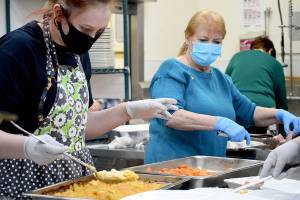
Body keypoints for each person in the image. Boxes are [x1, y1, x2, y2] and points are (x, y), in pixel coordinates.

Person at [0, 0, 177, 198]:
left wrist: (128, 110)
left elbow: (77, 127)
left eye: (100, 31)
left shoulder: (77, 52)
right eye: (85, 28)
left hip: (73, 180)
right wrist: (26, 147)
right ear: (59, 13)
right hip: (21, 181)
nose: (91, 38)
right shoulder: (18, 50)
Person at [144, 10, 300, 164]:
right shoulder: (172, 70)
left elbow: (249, 112)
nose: (210, 46)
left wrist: (280, 115)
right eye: (203, 40)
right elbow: (169, 115)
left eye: (217, 42)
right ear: (188, 37)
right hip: (171, 170)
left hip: (210, 170)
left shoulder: (221, 79)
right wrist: (218, 122)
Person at [225, 36, 287, 135]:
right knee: (256, 142)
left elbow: (225, 85)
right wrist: (284, 133)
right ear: (270, 51)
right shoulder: (275, 63)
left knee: (236, 142)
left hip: (235, 107)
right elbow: (281, 101)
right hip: (262, 110)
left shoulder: (236, 57)